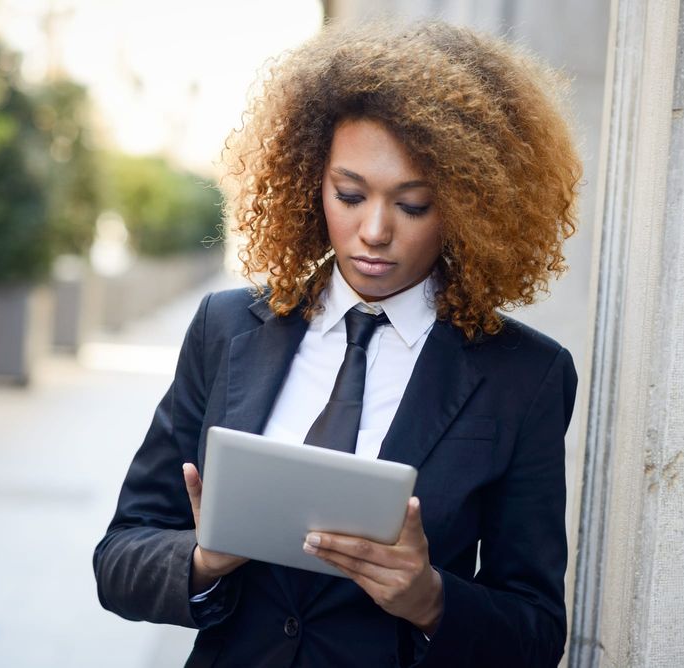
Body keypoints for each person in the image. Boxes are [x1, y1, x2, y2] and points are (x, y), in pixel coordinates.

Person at [93, 20, 581, 668]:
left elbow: (537, 634)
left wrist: (431, 598)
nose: (373, 230)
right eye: (349, 194)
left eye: (412, 205)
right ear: (309, 180)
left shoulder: (526, 377)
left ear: (469, 206)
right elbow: (119, 558)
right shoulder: (226, 329)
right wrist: (206, 557)